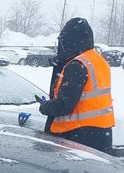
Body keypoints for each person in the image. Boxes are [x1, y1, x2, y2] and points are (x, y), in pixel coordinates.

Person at [38, 17, 114, 151]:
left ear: (69, 43)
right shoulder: (98, 61)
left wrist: (45, 106)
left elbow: (64, 105)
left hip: (77, 136)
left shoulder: (77, 65)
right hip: (102, 134)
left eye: (62, 42)